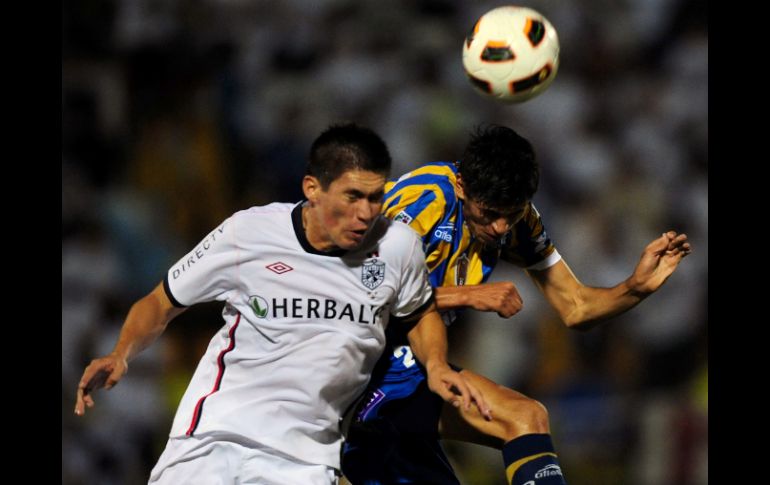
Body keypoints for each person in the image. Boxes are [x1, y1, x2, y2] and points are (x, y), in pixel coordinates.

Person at [74, 123, 491, 484]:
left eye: (376, 197)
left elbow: (419, 313)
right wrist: (121, 352)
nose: (366, 212)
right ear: (312, 188)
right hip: (212, 439)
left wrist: (435, 365)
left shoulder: (397, 247)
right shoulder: (250, 232)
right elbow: (160, 302)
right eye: (352, 196)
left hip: (305, 460)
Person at [341, 124, 692, 485]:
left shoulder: (516, 218)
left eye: (510, 213)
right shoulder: (424, 200)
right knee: (524, 416)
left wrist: (635, 288)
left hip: (408, 366)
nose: (499, 228)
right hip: (348, 360)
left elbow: (576, 307)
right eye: (490, 213)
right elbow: (356, 293)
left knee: (525, 419)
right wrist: (468, 294)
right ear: (462, 186)